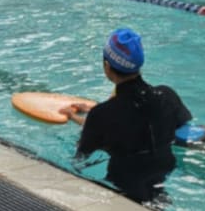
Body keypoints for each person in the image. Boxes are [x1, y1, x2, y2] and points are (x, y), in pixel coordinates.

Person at [62, 28, 190, 202]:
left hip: (123, 181)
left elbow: (81, 158)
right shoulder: (167, 95)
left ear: (107, 66)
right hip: (164, 169)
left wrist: (75, 118)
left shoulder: (101, 115)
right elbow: (147, 117)